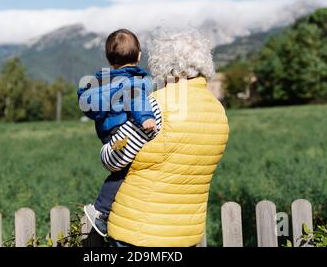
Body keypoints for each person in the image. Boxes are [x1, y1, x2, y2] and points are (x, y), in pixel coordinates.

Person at [107, 29, 230, 247]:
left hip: (140, 231)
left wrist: (108, 147)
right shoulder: (218, 111)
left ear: (164, 63)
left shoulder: (156, 104)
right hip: (186, 234)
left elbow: (114, 159)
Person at [77, 29, 162, 236]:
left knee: (121, 170)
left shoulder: (100, 83)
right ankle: (100, 210)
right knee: (126, 170)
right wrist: (146, 118)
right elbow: (137, 98)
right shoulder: (133, 82)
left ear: (108, 58)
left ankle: (108, 209)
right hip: (122, 131)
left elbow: (89, 107)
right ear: (139, 55)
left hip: (107, 134)